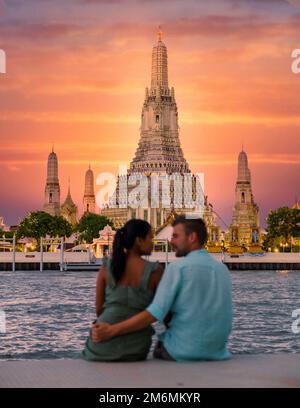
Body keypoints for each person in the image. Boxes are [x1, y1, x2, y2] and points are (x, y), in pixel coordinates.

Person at [92, 215, 232, 362]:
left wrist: (112, 331)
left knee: (160, 343)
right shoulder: (222, 269)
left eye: (176, 236)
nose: (171, 241)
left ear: (192, 237)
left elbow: (154, 313)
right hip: (218, 351)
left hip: (182, 351)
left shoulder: (177, 268)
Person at [82, 219, 167, 361]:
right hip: (135, 346)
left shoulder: (106, 267)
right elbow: (161, 312)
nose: (153, 242)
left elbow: (99, 309)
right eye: (150, 238)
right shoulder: (155, 271)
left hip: (99, 343)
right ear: (139, 240)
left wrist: (110, 328)